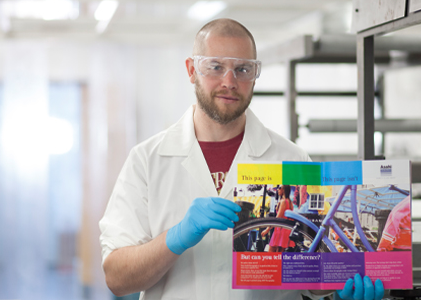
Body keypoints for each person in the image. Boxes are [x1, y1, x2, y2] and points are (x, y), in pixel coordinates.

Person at [99, 18, 384, 300]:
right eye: (215, 67)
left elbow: (310, 280)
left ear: (255, 74)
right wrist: (176, 237)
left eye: (243, 69)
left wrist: (339, 290)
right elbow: (117, 278)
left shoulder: (291, 159)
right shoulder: (147, 160)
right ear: (191, 70)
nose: (230, 82)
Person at [261, 185, 295, 252]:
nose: (277, 190)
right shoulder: (290, 202)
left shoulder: (283, 201)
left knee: (270, 255)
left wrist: (267, 229)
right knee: (279, 256)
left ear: (284, 190)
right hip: (286, 230)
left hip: (280, 229)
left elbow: (278, 218)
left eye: (279, 188)